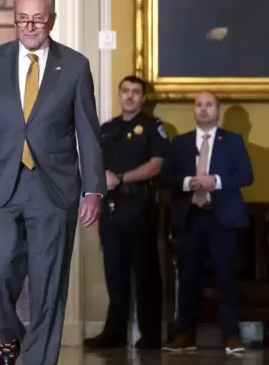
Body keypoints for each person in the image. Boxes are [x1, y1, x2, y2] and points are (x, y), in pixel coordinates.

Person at [0, 0, 105, 365]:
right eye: (23, 18)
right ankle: (11, 335)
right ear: (14, 20)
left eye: (38, 18)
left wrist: (94, 189)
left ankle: (40, 360)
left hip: (53, 189)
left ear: (51, 20)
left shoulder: (74, 65)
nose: (30, 25)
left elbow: (88, 133)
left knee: (48, 284)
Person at [161, 91, 253, 355]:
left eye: (208, 105)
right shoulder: (180, 143)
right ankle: (185, 335)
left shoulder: (233, 141)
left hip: (222, 219)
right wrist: (187, 182)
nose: (203, 110)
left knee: (227, 277)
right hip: (190, 218)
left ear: (218, 110)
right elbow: (166, 177)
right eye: (198, 105)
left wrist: (217, 181)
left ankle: (232, 335)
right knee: (188, 277)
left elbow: (247, 175)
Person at [84, 75, 166, 350]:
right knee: (114, 273)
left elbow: (156, 165)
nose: (130, 96)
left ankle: (151, 336)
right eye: (125, 91)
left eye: (136, 92)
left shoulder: (153, 128)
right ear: (118, 95)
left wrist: (120, 177)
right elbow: (93, 164)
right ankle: (115, 333)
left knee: (145, 275)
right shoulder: (107, 129)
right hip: (110, 210)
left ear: (143, 98)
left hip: (140, 208)